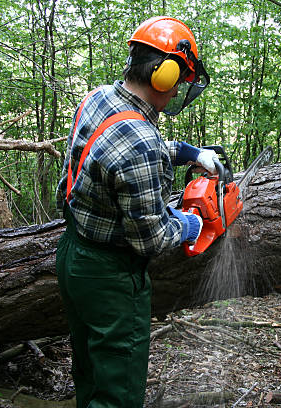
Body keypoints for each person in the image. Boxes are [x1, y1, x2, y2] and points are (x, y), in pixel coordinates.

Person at [55, 16, 215, 408]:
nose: (178, 91)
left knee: (90, 374)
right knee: (119, 395)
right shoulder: (140, 144)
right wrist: (191, 224)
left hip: (73, 253)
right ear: (164, 74)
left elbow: (129, 141)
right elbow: (152, 239)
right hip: (111, 277)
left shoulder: (100, 98)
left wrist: (192, 153)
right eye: (179, 80)